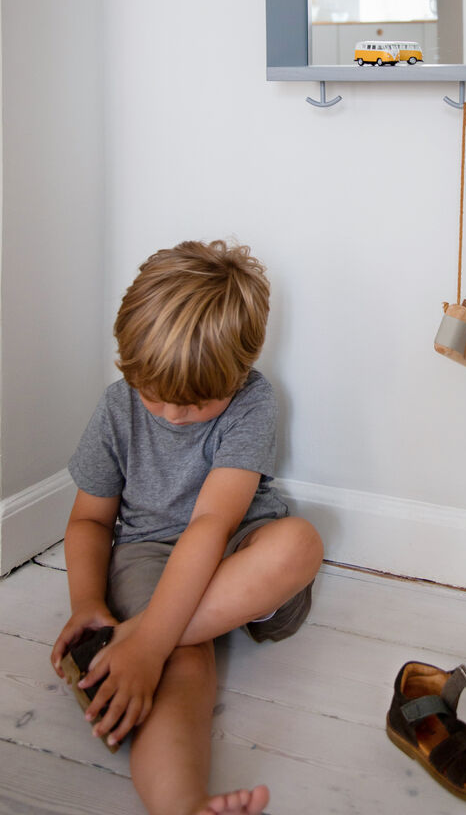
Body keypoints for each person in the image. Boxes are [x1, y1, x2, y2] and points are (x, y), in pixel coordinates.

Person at [50, 240, 324, 815]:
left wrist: (148, 638)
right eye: (153, 396)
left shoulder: (253, 401)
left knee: (299, 543)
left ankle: (146, 637)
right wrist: (86, 602)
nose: (172, 415)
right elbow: (89, 520)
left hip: (232, 550)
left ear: (239, 373)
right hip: (152, 555)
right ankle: (181, 804)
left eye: (196, 404)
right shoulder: (115, 408)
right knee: (187, 662)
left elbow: (211, 524)